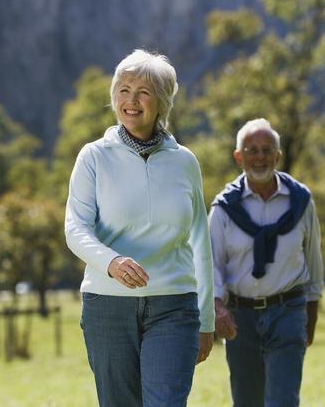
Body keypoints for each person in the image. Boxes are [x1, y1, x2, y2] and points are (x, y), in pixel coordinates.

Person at [64, 49, 215, 407]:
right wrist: (111, 262)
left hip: (174, 307)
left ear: (161, 102)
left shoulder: (185, 162)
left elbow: (200, 241)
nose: (131, 101)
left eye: (143, 91)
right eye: (123, 89)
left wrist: (206, 319)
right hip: (108, 306)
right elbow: (76, 228)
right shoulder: (93, 157)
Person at [209, 118, 324, 407]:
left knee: (282, 401)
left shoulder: (301, 202)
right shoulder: (223, 209)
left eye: (266, 149)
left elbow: (314, 260)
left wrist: (311, 314)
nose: (259, 157)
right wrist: (217, 306)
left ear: (278, 156)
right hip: (240, 317)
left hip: (288, 312)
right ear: (239, 157)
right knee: (247, 401)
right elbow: (211, 265)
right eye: (251, 150)